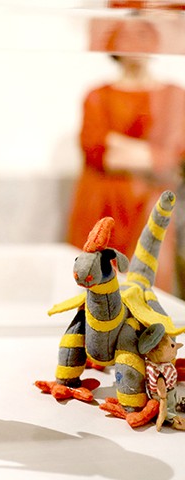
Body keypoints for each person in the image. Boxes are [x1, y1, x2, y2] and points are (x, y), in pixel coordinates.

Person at [66, 18, 185, 294]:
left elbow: (172, 158)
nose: (135, 44)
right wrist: (150, 153)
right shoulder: (97, 95)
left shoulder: (174, 96)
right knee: (94, 291)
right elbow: (98, 153)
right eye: (126, 36)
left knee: (145, 292)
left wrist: (117, 142)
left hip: (148, 206)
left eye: (143, 34)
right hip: (100, 205)